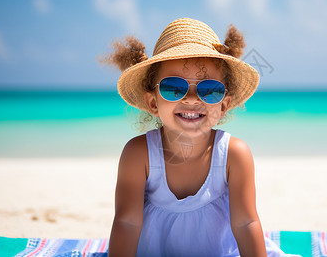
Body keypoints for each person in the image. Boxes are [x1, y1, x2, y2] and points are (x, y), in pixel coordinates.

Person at [102, 18, 290, 256]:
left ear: (223, 106)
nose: (192, 99)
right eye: (174, 88)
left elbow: (245, 224)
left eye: (209, 90)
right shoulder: (138, 154)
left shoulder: (235, 154)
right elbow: (126, 223)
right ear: (153, 102)